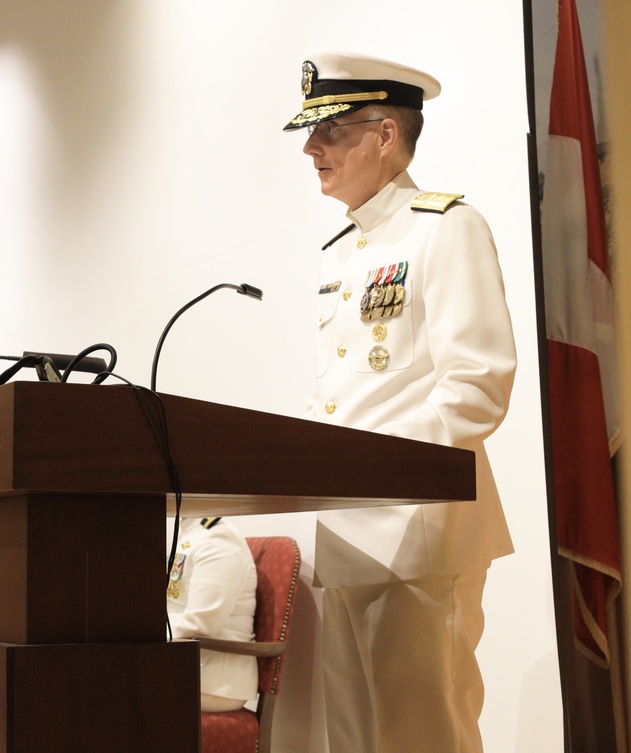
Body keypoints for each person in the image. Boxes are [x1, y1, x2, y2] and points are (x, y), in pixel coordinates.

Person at [283, 49, 517, 753]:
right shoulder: (341, 254)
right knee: (355, 741)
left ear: (384, 134)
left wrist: (374, 472)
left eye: (328, 130)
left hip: (419, 534)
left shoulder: (446, 227)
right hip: (350, 535)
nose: (310, 147)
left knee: (423, 736)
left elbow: (477, 386)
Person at [166, 516, 258, 712]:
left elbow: (200, 624)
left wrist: (141, 630)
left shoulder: (219, 538)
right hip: (184, 665)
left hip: (213, 682)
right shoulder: (190, 532)